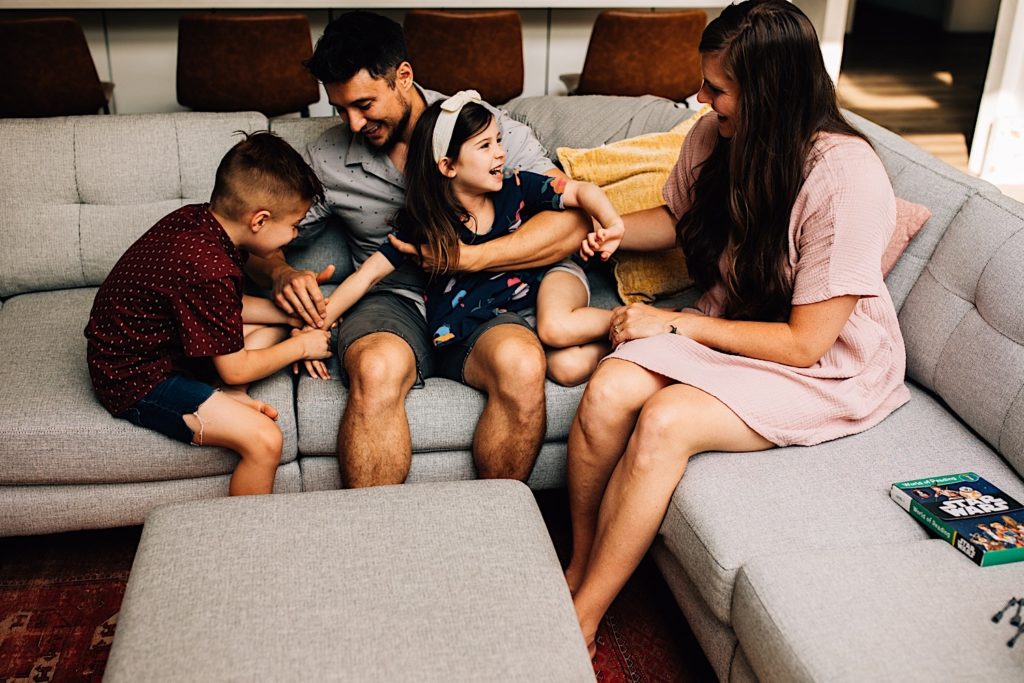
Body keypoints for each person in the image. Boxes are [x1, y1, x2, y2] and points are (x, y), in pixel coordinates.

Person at [563, 0, 911, 655]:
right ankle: (579, 566)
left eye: (717, 89)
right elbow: (676, 216)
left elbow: (807, 343)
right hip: (733, 323)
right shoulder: (714, 138)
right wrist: (609, 230)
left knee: (667, 419)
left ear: (768, 92)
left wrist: (673, 327)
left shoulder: (845, 176)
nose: (700, 98)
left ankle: (584, 616)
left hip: (824, 364)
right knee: (611, 388)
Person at [244, 11, 591, 488]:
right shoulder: (326, 158)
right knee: (376, 367)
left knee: (522, 363)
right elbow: (250, 237)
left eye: (364, 104)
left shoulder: (481, 127)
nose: (353, 121)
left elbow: (572, 219)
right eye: (340, 108)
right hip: (393, 300)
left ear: (403, 77)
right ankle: (378, 545)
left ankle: (497, 528)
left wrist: (469, 259)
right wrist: (282, 273)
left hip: (483, 296)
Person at [296, 92, 623, 387]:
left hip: (547, 280)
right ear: (448, 166)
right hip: (510, 316)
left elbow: (580, 190)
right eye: (485, 146)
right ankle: (627, 342)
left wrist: (611, 224)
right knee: (568, 367)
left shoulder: (519, 186)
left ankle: (637, 321)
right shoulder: (425, 224)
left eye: (498, 141)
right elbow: (366, 275)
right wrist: (316, 325)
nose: (500, 154)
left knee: (557, 328)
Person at [85, 132, 332, 496]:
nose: (294, 236)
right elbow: (236, 368)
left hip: (165, 347)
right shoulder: (209, 269)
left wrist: (291, 317)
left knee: (272, 328)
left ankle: (226, 395)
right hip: (134, 377)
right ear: (259, 220)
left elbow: (224, 307)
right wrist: (304, 346)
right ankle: (242, 539)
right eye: (294, 225)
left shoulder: (197, 222)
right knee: (265, 440)